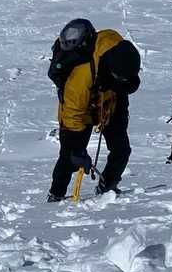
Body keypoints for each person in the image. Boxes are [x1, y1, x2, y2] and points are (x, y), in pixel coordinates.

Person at [46, 19, 141, 201]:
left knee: (121, 150)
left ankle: (108, 186)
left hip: (111, 103)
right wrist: (76, 149)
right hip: (80, 112)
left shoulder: (115, 45)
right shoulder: (81, 79)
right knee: (70, 157)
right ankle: (56, 194)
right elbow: (73, 114)